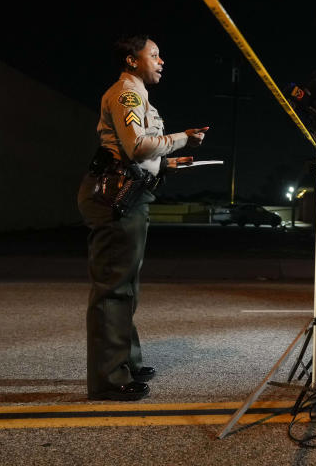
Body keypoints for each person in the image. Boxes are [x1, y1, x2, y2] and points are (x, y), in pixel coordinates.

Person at [77, 35, 208, 400]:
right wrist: (182, 138)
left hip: (129, 192)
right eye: (154, 54)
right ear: (132, 61)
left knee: (126, 287)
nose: (161, 60)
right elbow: (136, 147)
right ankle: (107, 379)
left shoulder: (138, 95)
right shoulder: (127, 94)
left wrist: (168, 163)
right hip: (114, 196)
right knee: (113, 289)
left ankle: (126, 361)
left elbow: (139, 152)